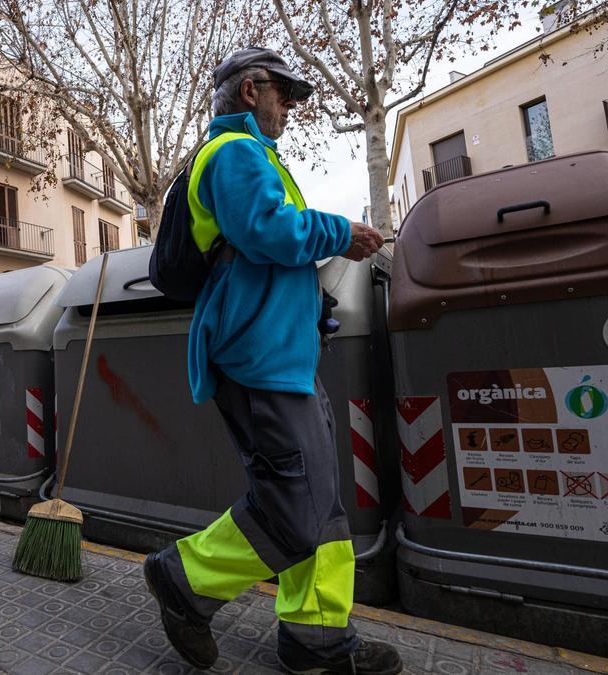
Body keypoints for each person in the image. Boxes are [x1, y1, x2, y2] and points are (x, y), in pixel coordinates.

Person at [143, 48, 400, 675]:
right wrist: (341, 232)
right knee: (295, 508)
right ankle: (185, 579)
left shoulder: (259, 157)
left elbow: (270, 251)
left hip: (282, 357)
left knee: (322, 506)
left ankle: (316, 640)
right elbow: (265, 231)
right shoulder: (233, 154)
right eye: (284, 94)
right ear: (252, 89)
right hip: (257, 359)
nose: (291, 106)